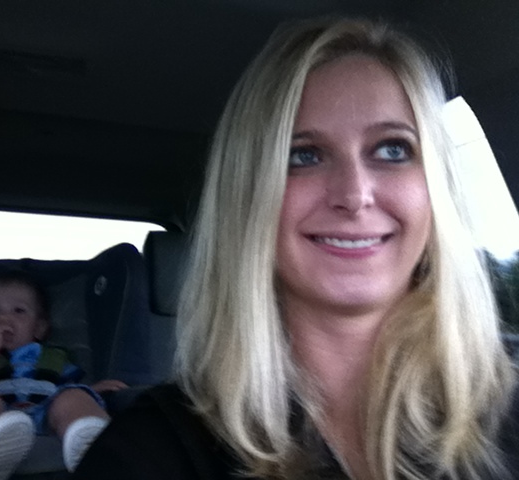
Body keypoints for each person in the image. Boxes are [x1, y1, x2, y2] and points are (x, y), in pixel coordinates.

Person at [73, 16, 519, 480]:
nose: (354, 195)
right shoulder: (150, 452)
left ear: (435, 191)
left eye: (392, 150)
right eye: (303, 155)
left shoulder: (507, 407)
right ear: (248, 199)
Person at [0, 270, 127, 479]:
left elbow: (69, 388)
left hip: (46, 414)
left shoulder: (54, 358)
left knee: (74, 397)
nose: (2, 318)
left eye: (19, 311)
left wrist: (91, 392)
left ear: (38, 328)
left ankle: (93, 450)